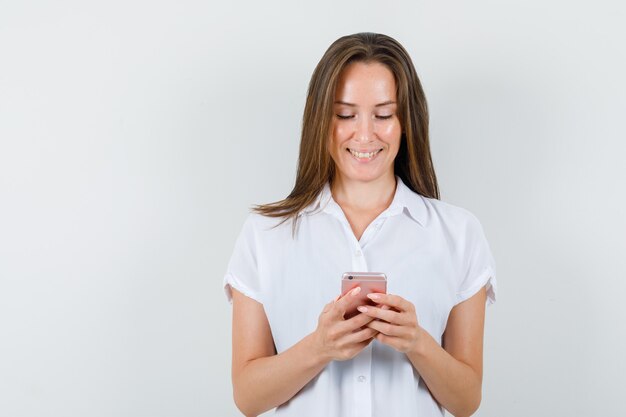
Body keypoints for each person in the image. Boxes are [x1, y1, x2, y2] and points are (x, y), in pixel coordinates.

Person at [223, 32, 497, 417]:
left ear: (406, 122)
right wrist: (319, 347)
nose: (365, 134)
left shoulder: (459, 233)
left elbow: (467, 400)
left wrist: (417, 342)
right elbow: (247, 397)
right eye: (346, 114)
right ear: (322, 119)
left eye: (384, 115)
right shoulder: (265, 234)